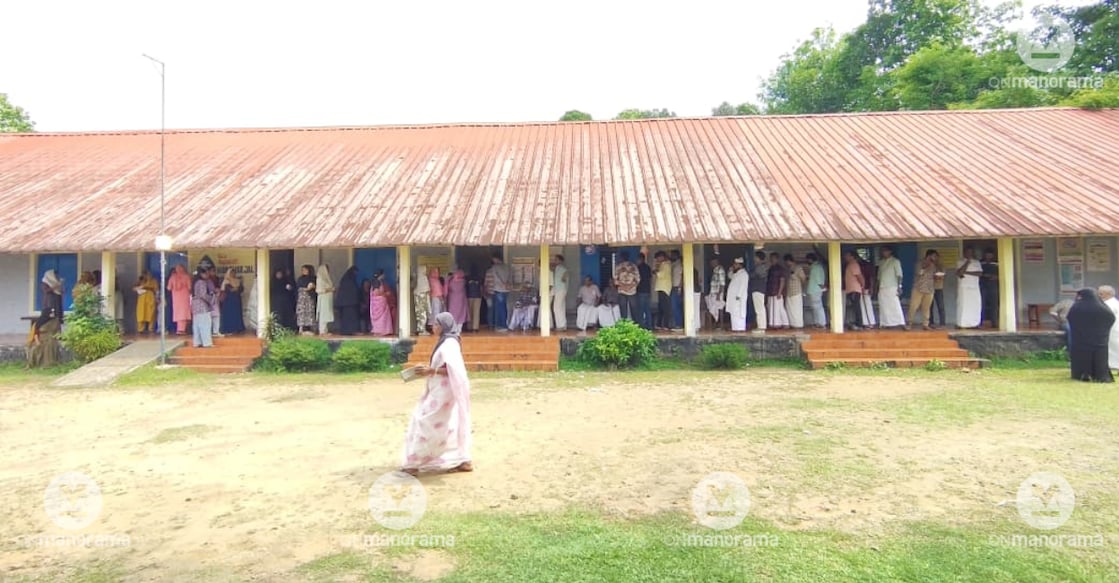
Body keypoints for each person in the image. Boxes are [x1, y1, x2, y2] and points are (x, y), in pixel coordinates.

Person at [400, 312, 473, 476]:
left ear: (443, 326)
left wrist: (431, 370)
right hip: (439, 389)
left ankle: (414, 462)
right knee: (448, 423)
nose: (433, 327)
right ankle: (462, 459)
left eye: (436, 324)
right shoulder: (446, 342)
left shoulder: (449, 344)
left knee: (426, 422)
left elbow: (453, 369)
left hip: (444, 392)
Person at [1066, 288, 1115, 383]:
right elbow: (1111, 318)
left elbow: (1070, 318)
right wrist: (1103, 331)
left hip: (1081, 339)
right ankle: (1101, 376)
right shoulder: (1103, 308)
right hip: (1100, 340)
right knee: (1100, 358)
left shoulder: (1077, 307)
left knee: (1082, 357)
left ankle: (1082, 375)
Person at [27, 272, 64, 368]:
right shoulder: (45, 283)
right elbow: (47, 291)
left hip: (55, 311)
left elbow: (59, 298)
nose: (57, 277)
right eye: (55, 275)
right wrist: (55, 286)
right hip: (48, 307)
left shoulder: (57, 289)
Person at [876, 246, 905, 329]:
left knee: (895, 305)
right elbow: (879, 276)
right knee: (883, 305)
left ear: (890, 252)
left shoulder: (895, 261)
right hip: (882, 287)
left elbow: (899, 275)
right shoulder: (881, 262)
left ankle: (901, 322)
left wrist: (899, 286)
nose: (883, 253)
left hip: (892, 286)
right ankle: (885, 323)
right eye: (883, 251)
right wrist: (876, 287)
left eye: (885, 251)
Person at [907, 250, 936, 330]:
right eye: (933, 256)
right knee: (913, 306)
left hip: (929, 289)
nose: (935, 258)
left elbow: (934, 274)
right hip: (918, 288)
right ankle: (909, 323)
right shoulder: (919, 263)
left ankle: (925, 324)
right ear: (929, 256)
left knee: (926, 308)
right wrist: (927, 265)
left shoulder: (934, 265)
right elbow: (919, 272)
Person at [955, 247, 983, 329]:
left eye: (971, 252)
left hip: (974, 287)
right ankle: (962, 324)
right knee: (963, 305)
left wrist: (966, 272)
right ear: (964, 253)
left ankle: (974, 323)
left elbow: (979, 273)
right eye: (968, 252)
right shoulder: (960, 262)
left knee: (975, 305)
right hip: (964, 287)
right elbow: (959, 272)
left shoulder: (976, 262)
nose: (969, 254)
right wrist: (967, 262)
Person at [191, 267, 216, 348]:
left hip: (195, 306)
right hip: (202, 306)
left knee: (197, 325)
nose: (207, 275)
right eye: (206, 273)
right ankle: (207, 343)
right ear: (201, 274)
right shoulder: (202, 282)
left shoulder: (195, 282)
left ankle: (197, 342)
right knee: (205, 324)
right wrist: (212, 298)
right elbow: (203, 295)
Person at [335, 267, 361, 336]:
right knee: (350, 318)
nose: (356, 274)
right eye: (355, 272)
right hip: (349, 303)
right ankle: (350, 331)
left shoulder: (346, 279)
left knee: (348, 318)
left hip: (347, 303)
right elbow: (351, 291)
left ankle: (348, 331)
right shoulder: (348, 280)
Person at [490, 254, 513, 332]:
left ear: (496, 259)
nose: (493, 261)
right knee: (504, 307)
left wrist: (502, 283)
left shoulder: (494, 267)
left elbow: (495, 277)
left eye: (493, 259)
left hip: (499, 289)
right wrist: (507, 283)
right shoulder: (507, 267)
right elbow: (511, 277)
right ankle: (505, 324)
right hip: (506, 289)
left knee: (499, 308)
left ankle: (501, 325)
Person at [766, 253, 790, 329]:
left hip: (776, 291)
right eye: (771, 258)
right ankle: (779, 323)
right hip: (771, 291)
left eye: (773, 258)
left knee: (778, 308)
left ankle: (779, 323)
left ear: (777, 259)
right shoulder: (770, 268)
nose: (772, 260)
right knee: (775, 308)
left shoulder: (780, 269)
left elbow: (782, 280)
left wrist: (779, 292)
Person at [168, 264, 192, 335]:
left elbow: (169, 288)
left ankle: (180, 329)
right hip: (184, 297)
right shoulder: (186, 277)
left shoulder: (172, 277)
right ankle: (181, 329)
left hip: (175, 298)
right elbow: (190, 287)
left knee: (178, 312)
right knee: (184, 312)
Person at [726, 258, 750, 332]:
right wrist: (730, 269)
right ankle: (735, 328)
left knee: (739, 313)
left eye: (735, 264)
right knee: (734, 313)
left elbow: (743, 286)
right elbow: (730, 276)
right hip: (733, 297)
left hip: (738, 298)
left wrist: (738, 296)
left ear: (740, 265)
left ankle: (740, 328)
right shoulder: (737, 273)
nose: (734, 265)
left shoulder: (744, 274)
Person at [1099, 285, 1119, 371]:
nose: (1099, 296)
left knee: (1113, 348)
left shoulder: (1108, 304)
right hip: (1114, 329)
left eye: (1100, 294)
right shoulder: (1115, 302)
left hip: (1112, 330)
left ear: (1106, 294)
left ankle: (1113, 365)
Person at [615, 252, 640, 322]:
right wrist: (629, 286)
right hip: (632, 291)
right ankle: (635, 326)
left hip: (622, 291)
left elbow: (615, 280)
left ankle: (624, 326)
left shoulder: (618, 267)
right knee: (634, 310)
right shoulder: (634, 266)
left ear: (621, 258)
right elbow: (637, 280)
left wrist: (624, 286)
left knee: (623, 311)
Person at [844, 252, 865, 330]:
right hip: (851, 289)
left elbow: (859, 276)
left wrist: (862, 285)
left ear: (852, 256)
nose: (845, 257)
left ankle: (859, 324)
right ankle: (857, 323)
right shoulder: (850, 265)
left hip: (854, 289)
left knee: (856, 307)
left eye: (847, 255)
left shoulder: (854, 265)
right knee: (854, 307)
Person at [220, 269, 245, 335]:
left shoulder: (238, 280)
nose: (233, 274)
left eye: (234, 273)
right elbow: (226, 290)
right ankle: (229, 329)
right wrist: (233, 289)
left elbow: (241, 289)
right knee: (229, 314)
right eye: (231, 273)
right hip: (228, 300)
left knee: (236, 314)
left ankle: (237, 328)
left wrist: (238, 289)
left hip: (236, 300)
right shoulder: (226, 281)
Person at [805, 253, 827, 329]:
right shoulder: (817, 267)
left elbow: (819, 281)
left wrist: (822, 287)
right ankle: (817, 323)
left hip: (815, 290)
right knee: (815, 307)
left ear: (810, 259)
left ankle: (821, 323)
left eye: (808, 260)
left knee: (818, 307)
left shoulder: (815, 268)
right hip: (815, 290)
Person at [784, 254, 806, 329]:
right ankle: (792, 323)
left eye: (787, 262)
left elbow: (803, 278)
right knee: (789, 308)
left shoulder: (798, 268)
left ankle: (798, 324)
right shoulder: (788, 269)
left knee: (797, 309)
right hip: (789, 292)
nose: (786, 264)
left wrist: (802, 288)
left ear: (789, 261)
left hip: (796, 291)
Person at [749, 251, 769, 333]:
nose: (754, 259)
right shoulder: (761, 266)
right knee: (759, 308)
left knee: (759, 308)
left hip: (758, 289)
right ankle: (761, 326)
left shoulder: (761, 267)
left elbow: (752, 275)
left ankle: (761, 327)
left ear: (759, 258)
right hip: (758, 289)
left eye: (755, 257)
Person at [295, 265, 317, 335]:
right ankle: (301, 328)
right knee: (302, 313)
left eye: (305, 270)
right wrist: (305, 289)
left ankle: (312, 328)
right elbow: (298, 288)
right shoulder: (300, 279)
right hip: (302, 299)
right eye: (302, 270)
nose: (303, 271)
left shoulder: (313, 278)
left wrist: (313, 286)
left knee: (310, 312)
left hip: (310, 298)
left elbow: (317, 287)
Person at [980, 249, 1000, 329]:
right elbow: (978, 273)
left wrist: (996, 277)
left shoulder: (997, 263)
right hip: (983, 285)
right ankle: (981, 322)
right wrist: (985, 276)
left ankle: (994, 322)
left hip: (993, 285)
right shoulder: (981, 263)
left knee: (994, 304)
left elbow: (1002, 273)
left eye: (990, 255)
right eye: (987, 255)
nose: (988, 257)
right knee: (982, 304)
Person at [654, 252, 672, 331]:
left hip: (664, 288)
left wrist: (655, 271)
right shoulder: (662, 264)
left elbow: (661, 275)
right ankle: (659, 324)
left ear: (662, 257)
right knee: (661, 307)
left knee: (665, 308)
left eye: (658, 258)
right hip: (661, 288)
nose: (657, 260)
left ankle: (666, 325)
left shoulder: (666, 265)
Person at [707, 258, 727, 330]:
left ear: (716, 262)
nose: (711, 264)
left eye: (712, 262)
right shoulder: (714, 270)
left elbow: (722, 283)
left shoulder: (720, 270)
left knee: (719, 308)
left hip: (718, 293)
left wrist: (719, 294)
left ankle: (721, 325)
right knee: (713, 309)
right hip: (713, 292)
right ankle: (716, 324)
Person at [551, 255, 569, 331]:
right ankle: (563, 325)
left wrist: (564, 278)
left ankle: (560, 326)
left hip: (560, 290)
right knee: (561, 307)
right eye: (554, 259)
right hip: (559, 290)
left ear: (560, 261)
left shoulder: (562, 269)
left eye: (556, 260)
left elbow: (565, 276)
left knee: (557, 308)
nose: (554, 261)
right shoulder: (557, 269)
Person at [316, 264, 335, 335]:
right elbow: (319, 290)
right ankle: (322, 331)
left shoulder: (326, 278)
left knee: (327, 314)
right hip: (323, 299)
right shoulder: (320, 279)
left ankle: (325, 330)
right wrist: (330, 289)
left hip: (328, 299)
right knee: (323, 314)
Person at [636, 253, 653, 330]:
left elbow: (637, 280)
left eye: (637, 259)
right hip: (648, 291)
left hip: (641, 291)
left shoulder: (638, 268)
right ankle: (649, 326)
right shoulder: (648, 267)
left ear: (641, 259)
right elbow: (650, 279)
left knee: (641, 309)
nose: (637, 261)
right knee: (647, 309)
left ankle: (641, 326)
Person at [414, 263, 432, 335]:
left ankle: (420, 329)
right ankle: (422, 330)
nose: (427, 270)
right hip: (422, 301)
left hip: (419, 301)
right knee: (423, 315)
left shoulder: (418, 277)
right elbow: (426, 291)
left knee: (420, 315)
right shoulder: (423, 278)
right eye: (425, 269)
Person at [670, 250, 684, 330]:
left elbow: (682, 276)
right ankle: (678, 324)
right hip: (674, 286)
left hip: (677, 287)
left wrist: (680, 287)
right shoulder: (674, 264)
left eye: (672, 255)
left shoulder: (680, 264)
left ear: (676, 255)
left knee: (676, 306)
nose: (671, 257)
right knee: (675, 306)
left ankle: (679, 325)